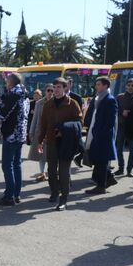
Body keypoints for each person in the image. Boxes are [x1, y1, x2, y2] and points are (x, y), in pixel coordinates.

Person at [38, 78, 82, 210]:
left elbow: (79, 122)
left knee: (64, 172)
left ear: (65, 88)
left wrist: (65, 129)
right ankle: (54, 192)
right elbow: (43, 124)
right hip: (51, 141)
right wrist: (40, 141)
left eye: (59, 87)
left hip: (66, 143)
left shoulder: (72, 104)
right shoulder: (48, 104)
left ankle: (64, 199)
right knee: (51, 171)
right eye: (54, 87)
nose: (56, 90)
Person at [0, 73, 29, 206]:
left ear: (11, 83)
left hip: (12, 134)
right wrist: (0, 101)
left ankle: (9, 196)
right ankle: (16, 194)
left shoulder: (13, 95)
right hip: (21, 134)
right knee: (16, 165)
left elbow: (1, 115)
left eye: (7, 80)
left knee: (7, 165)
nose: (5, 82)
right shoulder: (24, 93)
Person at [84, 77, 118, 195]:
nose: (96, 86)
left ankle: (101, 186)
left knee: (101, 162)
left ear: (105, 86)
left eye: (98, 84)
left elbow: (110, 122)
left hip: (103, 137)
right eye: (96, 84)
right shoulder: (99, 98)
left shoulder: (110, 100)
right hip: (96, 134)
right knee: (97, 161)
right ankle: (108, 179)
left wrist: (101, 134)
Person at [115, 78, 133, 177]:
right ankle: (120, 168)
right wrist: (121, 112)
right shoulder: (120, 97)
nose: (131, 87)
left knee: (132, 150)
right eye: (129, 85)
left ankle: (129, 170)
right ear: (126, 86)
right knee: (119, 148)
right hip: (121, 125)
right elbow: (114, 109)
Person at [27, 84, 53, 182]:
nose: (50, 92)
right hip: (40, 132)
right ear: (45, 92)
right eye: (48, 90)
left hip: (52, 133)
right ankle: (42, 173)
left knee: (51, 155)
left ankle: (51, 173)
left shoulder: (56, 102)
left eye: (52, 90)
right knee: (41, 155)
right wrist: (31, 131)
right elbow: (35, 118)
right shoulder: (39, 103)